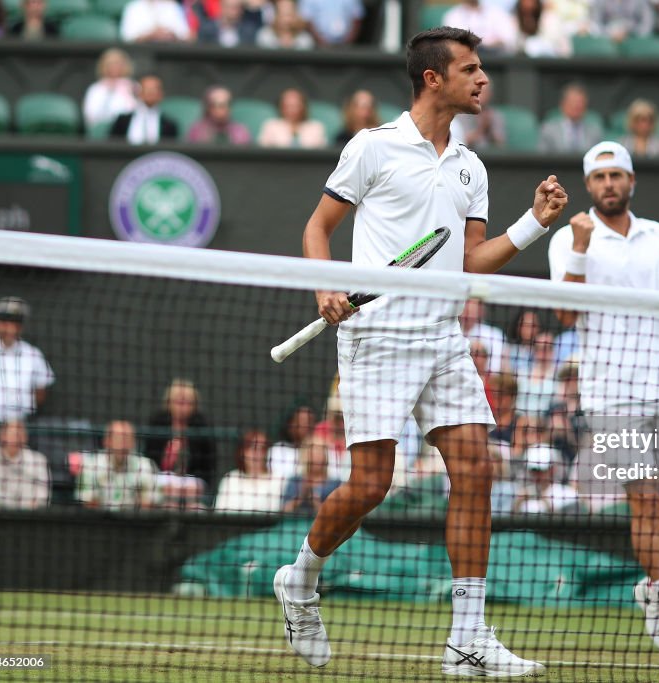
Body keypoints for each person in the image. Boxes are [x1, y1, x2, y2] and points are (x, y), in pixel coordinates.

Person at [273, 27, 566, 676]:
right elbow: (318, 228)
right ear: (434, 78)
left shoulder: (471, 165)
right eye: (471, 69)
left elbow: (471, 260)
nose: (483, 79)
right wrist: (325, 286)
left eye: (481, 67)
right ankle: (300, 578)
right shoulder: (372, 148)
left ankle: (467, 638)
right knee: (371, 484)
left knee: (476, 470)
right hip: (376, 339)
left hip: (441, 337)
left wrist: (534, 224)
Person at [547, 141, 659, 654]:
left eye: (617, 175)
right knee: (643, 499)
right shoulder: (568, 239)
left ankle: (653, 583)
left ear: (632, 181)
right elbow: (566, 318)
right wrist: (578, 245)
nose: (609, 184)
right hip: (610, 394)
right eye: (600, 178)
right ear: (589, 185)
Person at [0, 297, 54, 468]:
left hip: (24, 428)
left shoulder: (33, 355)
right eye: (4, 322)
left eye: (15, 323)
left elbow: (41, 390)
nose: (9, 328)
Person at [144, 378, 217, 508]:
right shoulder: (157, 424)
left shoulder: (202, 427)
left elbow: (208, 468)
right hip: (162, 480)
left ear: (195, 405)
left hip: (191, 483)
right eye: (178, 401)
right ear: (169, 402)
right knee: (167, 503)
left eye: (187, 402)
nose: (182, 406)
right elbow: (149, 460)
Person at [76, 420, 160, 510]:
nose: (124, 444)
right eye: (119, 439)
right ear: (107, 441)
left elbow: (149, 503)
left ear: (133, 442)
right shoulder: (91, 465)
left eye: (128, 439)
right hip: (100, 521)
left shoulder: (145, 465)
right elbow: (88, 503)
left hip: (134, 521)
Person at [0, 420, 49, 510]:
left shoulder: (38, 461)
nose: (16, 439)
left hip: (28, 520)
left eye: (18, 434)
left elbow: (42, 498)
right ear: (1, 436)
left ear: (25, 437)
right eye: (12, 434)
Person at [215, 429, 285, 513]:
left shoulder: (278, 479)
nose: (258, 454)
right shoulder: (230, 478)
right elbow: (219, 511)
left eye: (263, 449)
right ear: (243, 452)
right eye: (254, 448)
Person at [109, 74, 179, 144]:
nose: (150, 92)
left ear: (161, 94)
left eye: (154, 89)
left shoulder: (169, 125)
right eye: (146, 89)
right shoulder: (122, 121)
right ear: (139, 92)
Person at [510, 443, 578, 513]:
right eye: (534, 470)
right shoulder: (522, 494)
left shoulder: (568, 494)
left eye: (541, 470)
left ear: (552, 469)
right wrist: (517, 504)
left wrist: (547, 504)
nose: (537, 475)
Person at [538, 83, 604, 153]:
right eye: (573, 102)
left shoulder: (595, 131)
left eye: (580, 102)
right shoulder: (548, 130)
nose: (577, 106)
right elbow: (541, 157)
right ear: (562, 105)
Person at [83, 49, 139, 132]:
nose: (114, 67)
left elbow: (138, 113)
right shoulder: (95, 89)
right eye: (110, 64)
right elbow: (90, 115)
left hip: (126, 131)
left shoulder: (133, 86)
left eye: (118, 64)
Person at [258, 88, 327, 148]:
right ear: (281, 107)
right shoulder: (270, 125)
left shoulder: (316, 127)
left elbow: (322, 150)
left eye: (295, 106)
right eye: (287, 106)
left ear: (303, 107)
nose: (291, 110)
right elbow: (263, 148)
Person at [443, 0, 519, 54]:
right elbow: (455, 42)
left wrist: (489, 45)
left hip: (497, 60)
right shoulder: (453, 15)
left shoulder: (497, 12)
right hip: (466, 59)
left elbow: (509, 39)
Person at [267, 403, 316, 482]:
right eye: (301, 421)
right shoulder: (277, 451)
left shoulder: (321, 450)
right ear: (290, 424)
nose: (306, 425)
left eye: (309, 421)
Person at [449, 83, 506, 150]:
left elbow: (501, 145)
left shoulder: (495, 115)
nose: (480, 95)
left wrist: (489, 130)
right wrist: (481, 129)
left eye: (484, 92)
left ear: (490, 94)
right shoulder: (461, 114)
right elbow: (461, 141)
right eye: (478, 91)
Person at [187, 86, 251, 144]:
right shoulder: (197, 130)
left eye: (224, 105)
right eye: (214, 105)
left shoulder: (240, 131)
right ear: (208, 108)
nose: (219, 110)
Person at [298, 0, 362, 47]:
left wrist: (347, 42)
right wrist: (321, 42)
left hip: (347, 46)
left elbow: (357, 19)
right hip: (316, 46)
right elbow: (306, 21)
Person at [120, 0, 191, 42]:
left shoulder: (172, 6)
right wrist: (151, 35)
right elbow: (127, 37)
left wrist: (170, 34)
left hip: (171, 54)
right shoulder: (133, 7)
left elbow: (186, 36)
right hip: (142, 56)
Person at [587, 0, 655, 43]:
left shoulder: (641, 1)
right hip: (607, 39)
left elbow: (647, 23)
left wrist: (630, 34)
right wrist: (610, 34)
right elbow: (595, 23)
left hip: (634, 39)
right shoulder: (600, 1)